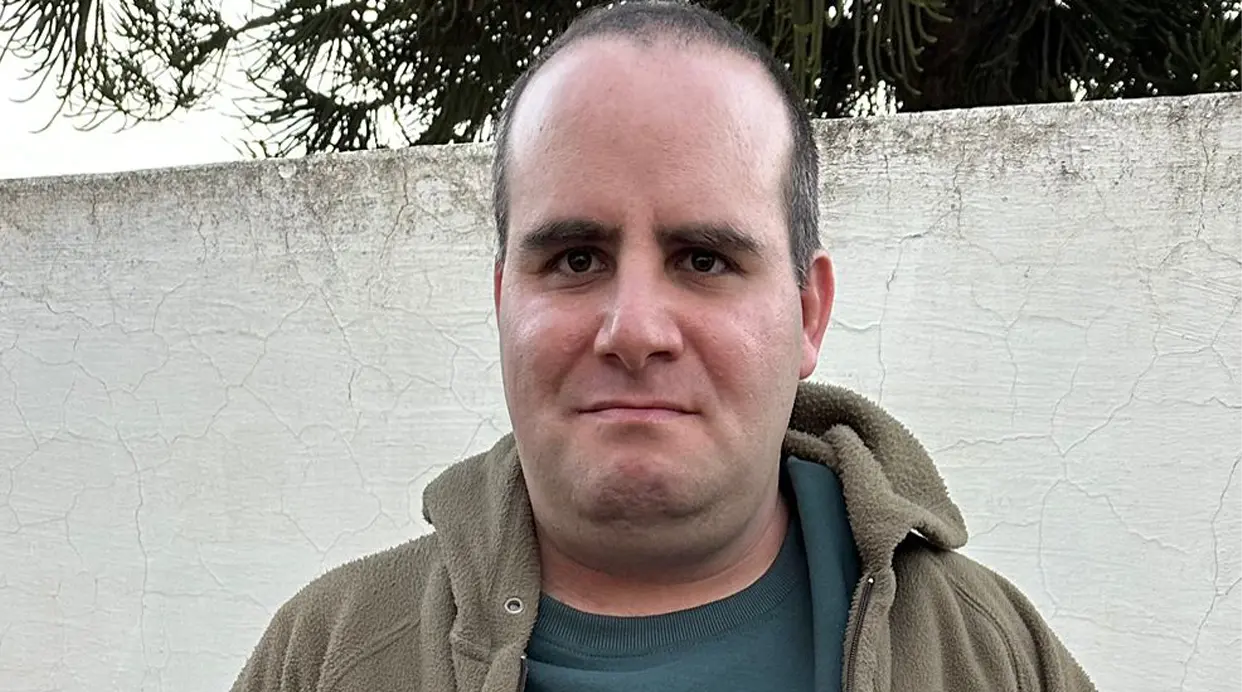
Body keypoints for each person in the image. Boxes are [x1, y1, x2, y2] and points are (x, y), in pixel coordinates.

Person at [230, 2, 1097, 691]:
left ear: (808, 313)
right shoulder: (330, 655)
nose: (635, 330)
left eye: (704, 259)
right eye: (576, 259)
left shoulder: (990, 655)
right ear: (502, 303)